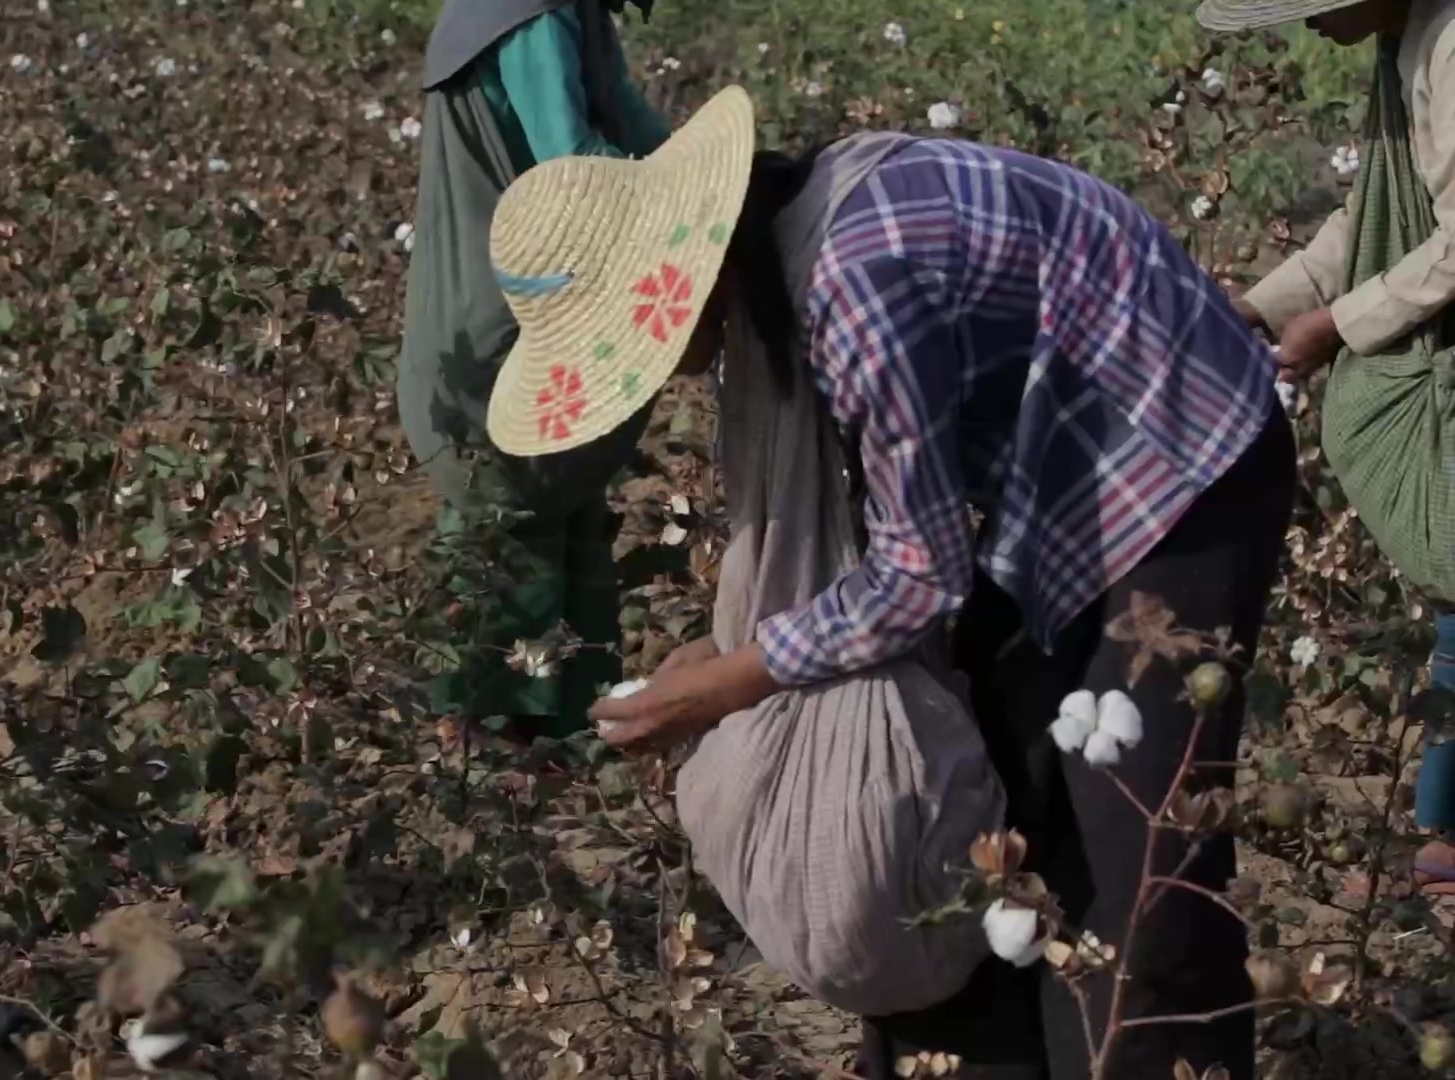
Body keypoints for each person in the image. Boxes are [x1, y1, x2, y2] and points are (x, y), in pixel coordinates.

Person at [486, 87, 1292, 1077]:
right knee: (973, 818)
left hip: (1178, 459)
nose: (655, 382)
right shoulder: (782, 266)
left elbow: (916, 578)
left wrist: (737, 678)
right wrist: (744, 661)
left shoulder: (851, 284)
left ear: (687, 280)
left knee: (1142, 859)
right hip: (1046, 481)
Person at [1200, 0, 1455, 891]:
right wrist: (1258, 306)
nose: (1306, 23)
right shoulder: (1406, 42)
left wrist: (1335, 326)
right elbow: (1373, 218)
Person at [398, 0, 670, 746]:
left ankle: (570, 739)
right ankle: (492, 757)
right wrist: (681, 208)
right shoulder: (531, 14)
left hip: (534, 314)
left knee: (564, 509)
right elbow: (574, 164)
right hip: (503, 326)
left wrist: (713, 176)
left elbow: (629, 120)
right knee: (510, 519)